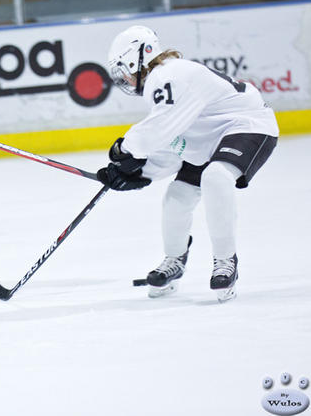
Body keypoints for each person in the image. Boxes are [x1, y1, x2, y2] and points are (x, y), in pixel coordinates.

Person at [98, 25, 278, 302]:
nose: (123, 77)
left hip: (248, 125)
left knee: (216, 176)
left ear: (139, 57)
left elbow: (156, 131)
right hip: (207, 140)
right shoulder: (162, 84)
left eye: (124, 68)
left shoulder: (170, 75)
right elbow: (175, 145)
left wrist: (125, 150)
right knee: (177, 196)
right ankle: (174, 261)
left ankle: (225, 261)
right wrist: (140, 174)